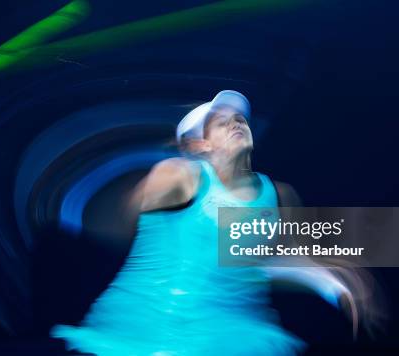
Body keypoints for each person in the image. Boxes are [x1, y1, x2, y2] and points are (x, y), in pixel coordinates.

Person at [51, 90, 364, 355]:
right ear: (199, 145)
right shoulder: (178, 174)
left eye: (240, 120)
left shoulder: (280, 195)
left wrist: (332, 284)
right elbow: (115, 219)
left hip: (230, 337)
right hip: (151, 330)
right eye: (221, 123)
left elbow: (269, 263)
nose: (236, 124)